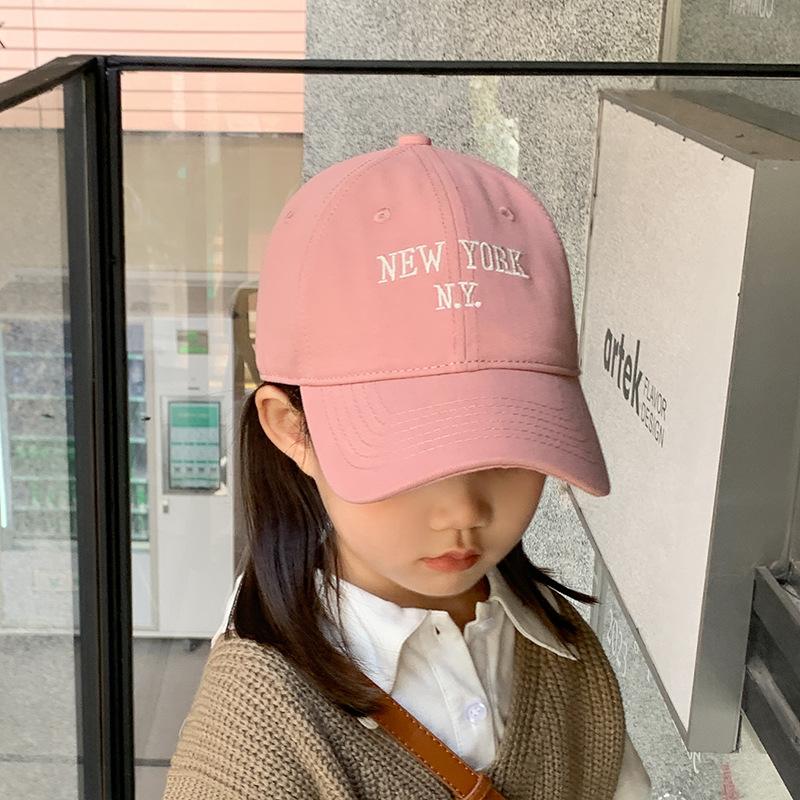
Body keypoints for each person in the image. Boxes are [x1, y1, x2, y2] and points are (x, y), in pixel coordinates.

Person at [162, 133, 652, 799]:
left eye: (508, 448)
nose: (463, 512)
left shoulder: (564, 654)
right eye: (409, 458)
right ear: (293, 428)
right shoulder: (250, 750)